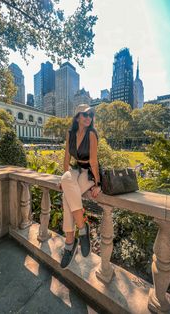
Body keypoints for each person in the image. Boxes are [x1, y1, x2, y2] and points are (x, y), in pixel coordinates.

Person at [60, 104, 101, 269]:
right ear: (77, 117)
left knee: (66, 198)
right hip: (76, 170)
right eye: (85, 114)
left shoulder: (92, 133)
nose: (88, 117)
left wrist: (98, 183)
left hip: (90, 172)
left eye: (90, 115)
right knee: (67, 184)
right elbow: (66, 158)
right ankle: (83, 229)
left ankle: (69, 244)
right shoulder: (70, 133)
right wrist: (65, 178)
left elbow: (93, 161)